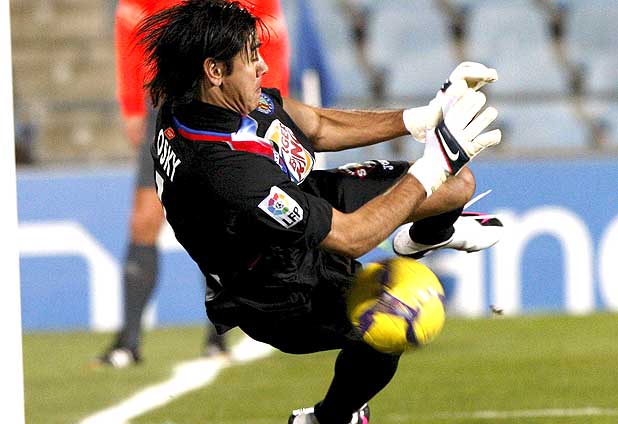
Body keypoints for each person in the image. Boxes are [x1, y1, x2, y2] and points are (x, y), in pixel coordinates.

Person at [140, 1, 502, 422]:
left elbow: (315, 126)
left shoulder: (207, 101)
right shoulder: (226, 172)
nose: (262, 67)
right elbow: (352, 237)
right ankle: (328, 418)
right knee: (391, 318)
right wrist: (431, 165)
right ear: (215, 70)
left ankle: (424, 237)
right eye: (251, 58)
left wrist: (422, 117)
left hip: (297, 203)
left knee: (457, 185)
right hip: (272, 288)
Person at [96, 0, 291, 367]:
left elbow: (272, 35)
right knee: (145, 217)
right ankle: (129, 341)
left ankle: (219, 335)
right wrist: (133, 105)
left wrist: (269, 103)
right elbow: (130, 30)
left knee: (222, 215)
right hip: (169, 100)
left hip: (230, 100)